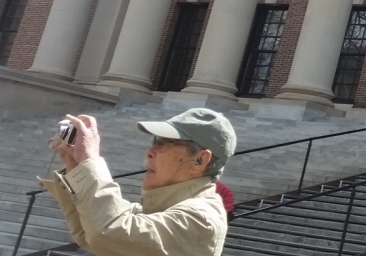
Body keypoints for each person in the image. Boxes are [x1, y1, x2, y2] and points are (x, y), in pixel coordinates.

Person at [39, 107, 237, 256]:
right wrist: (75, 164)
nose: (150, 151)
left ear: (199, 160)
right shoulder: (162, 208)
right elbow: (88, 234)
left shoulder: (201, 218)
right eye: (155, 141)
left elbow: (109, 231)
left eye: (165, 142)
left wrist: (90, 160)